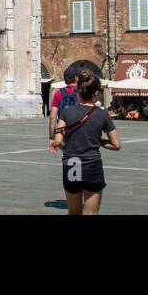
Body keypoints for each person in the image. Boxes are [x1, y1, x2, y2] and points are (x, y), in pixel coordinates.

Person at [51, 71, 121, 215]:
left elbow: (57, 140)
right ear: (95, 93)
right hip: (91, 165)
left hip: (72, 164)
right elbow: (116, 144)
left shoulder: (67, 112)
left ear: (79, 91)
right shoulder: (102, 115)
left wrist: (68, 147)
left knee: (73, 211)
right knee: (90, 213)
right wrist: (99, 141)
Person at [47, 67, 79, 142]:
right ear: (76, 77)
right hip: (80, 130)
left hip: (64, 131)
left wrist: (51, 137)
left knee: (67, 151)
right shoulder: (82, 92)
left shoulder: (59, 93)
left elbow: (52, 117)